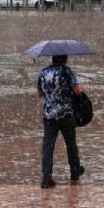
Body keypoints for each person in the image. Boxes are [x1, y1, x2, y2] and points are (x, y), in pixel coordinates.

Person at [37, 54, 86, 189]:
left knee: (48, 147)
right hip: (65, 115)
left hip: (48, 116)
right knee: (71, 145)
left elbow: (40, 93)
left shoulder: (43, 72)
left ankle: (46, 179)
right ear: (64, 59)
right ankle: (75, 172)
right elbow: (77, 90)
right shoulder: (66, 71)